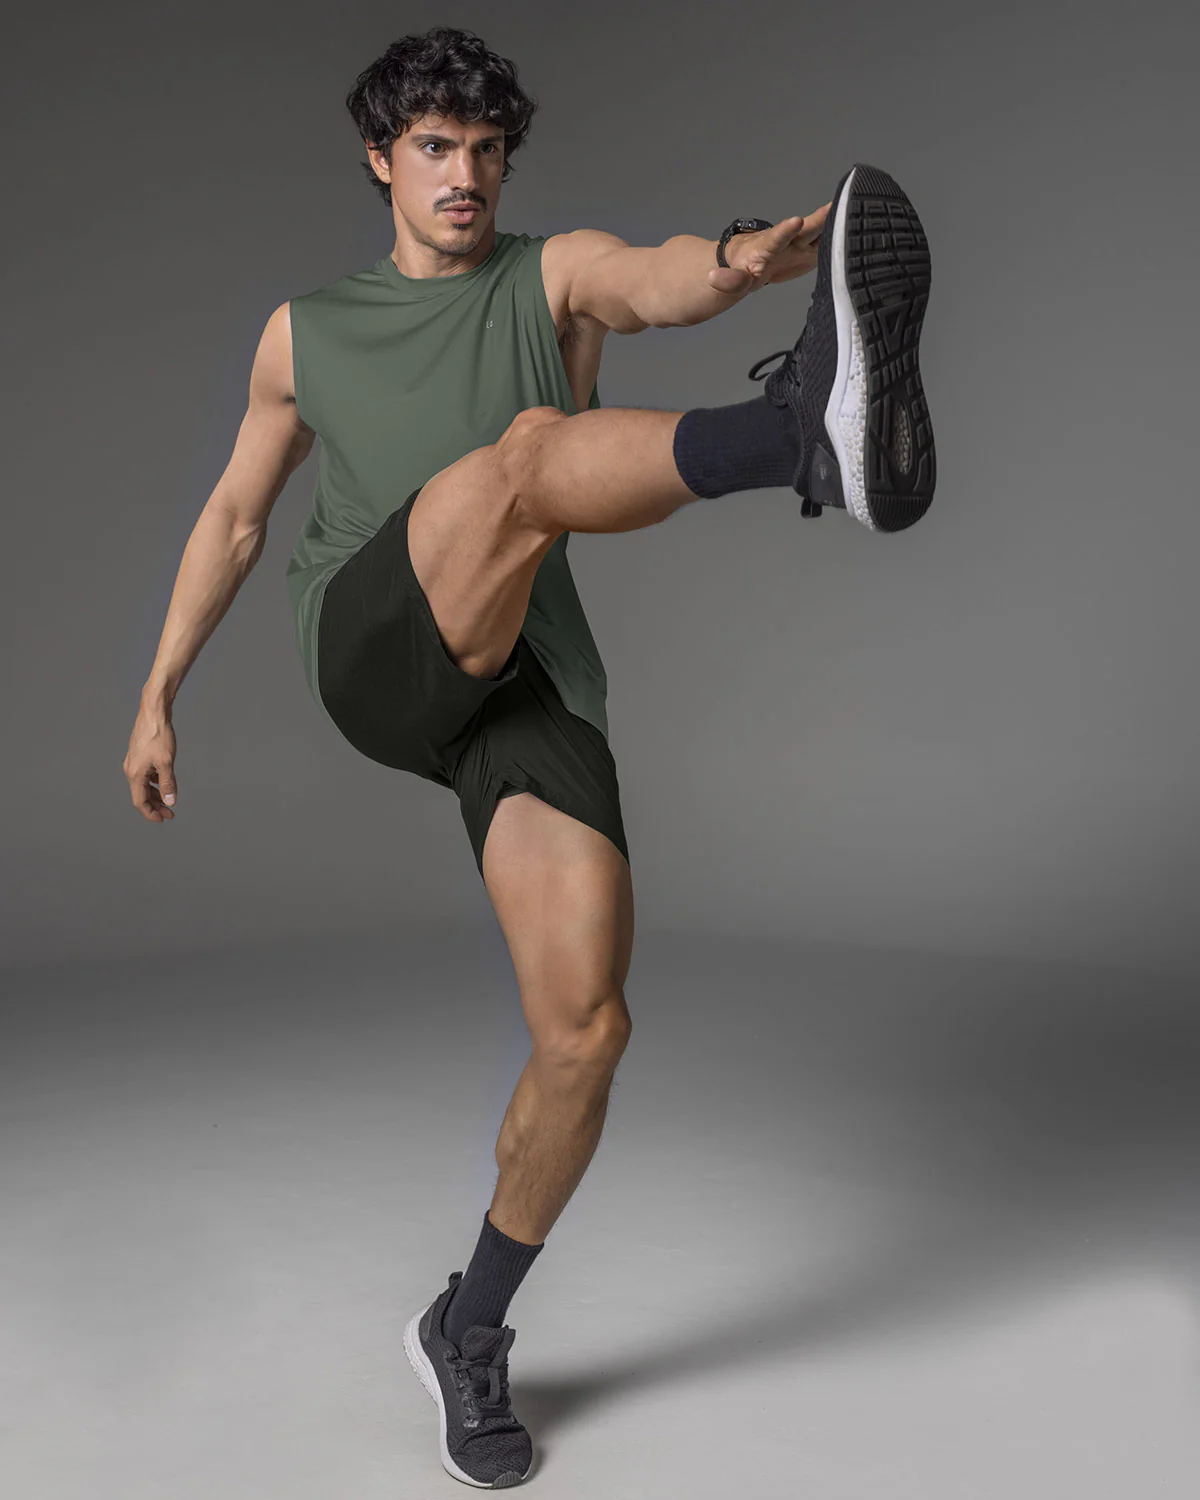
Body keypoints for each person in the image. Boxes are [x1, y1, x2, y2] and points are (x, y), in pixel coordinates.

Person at [122, 23, 935, 1490]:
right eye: (436, 148)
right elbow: (237, 518)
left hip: (520, 682)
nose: (466, 176)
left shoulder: (545, 277)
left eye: (487, 151)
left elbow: (653, 277)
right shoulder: (305, 333)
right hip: (371, 642)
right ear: (381, 160)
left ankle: (469, 1326)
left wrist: (747, 261)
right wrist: (157, 690)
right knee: (523, 461)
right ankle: (802, 439)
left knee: (586, 1031)